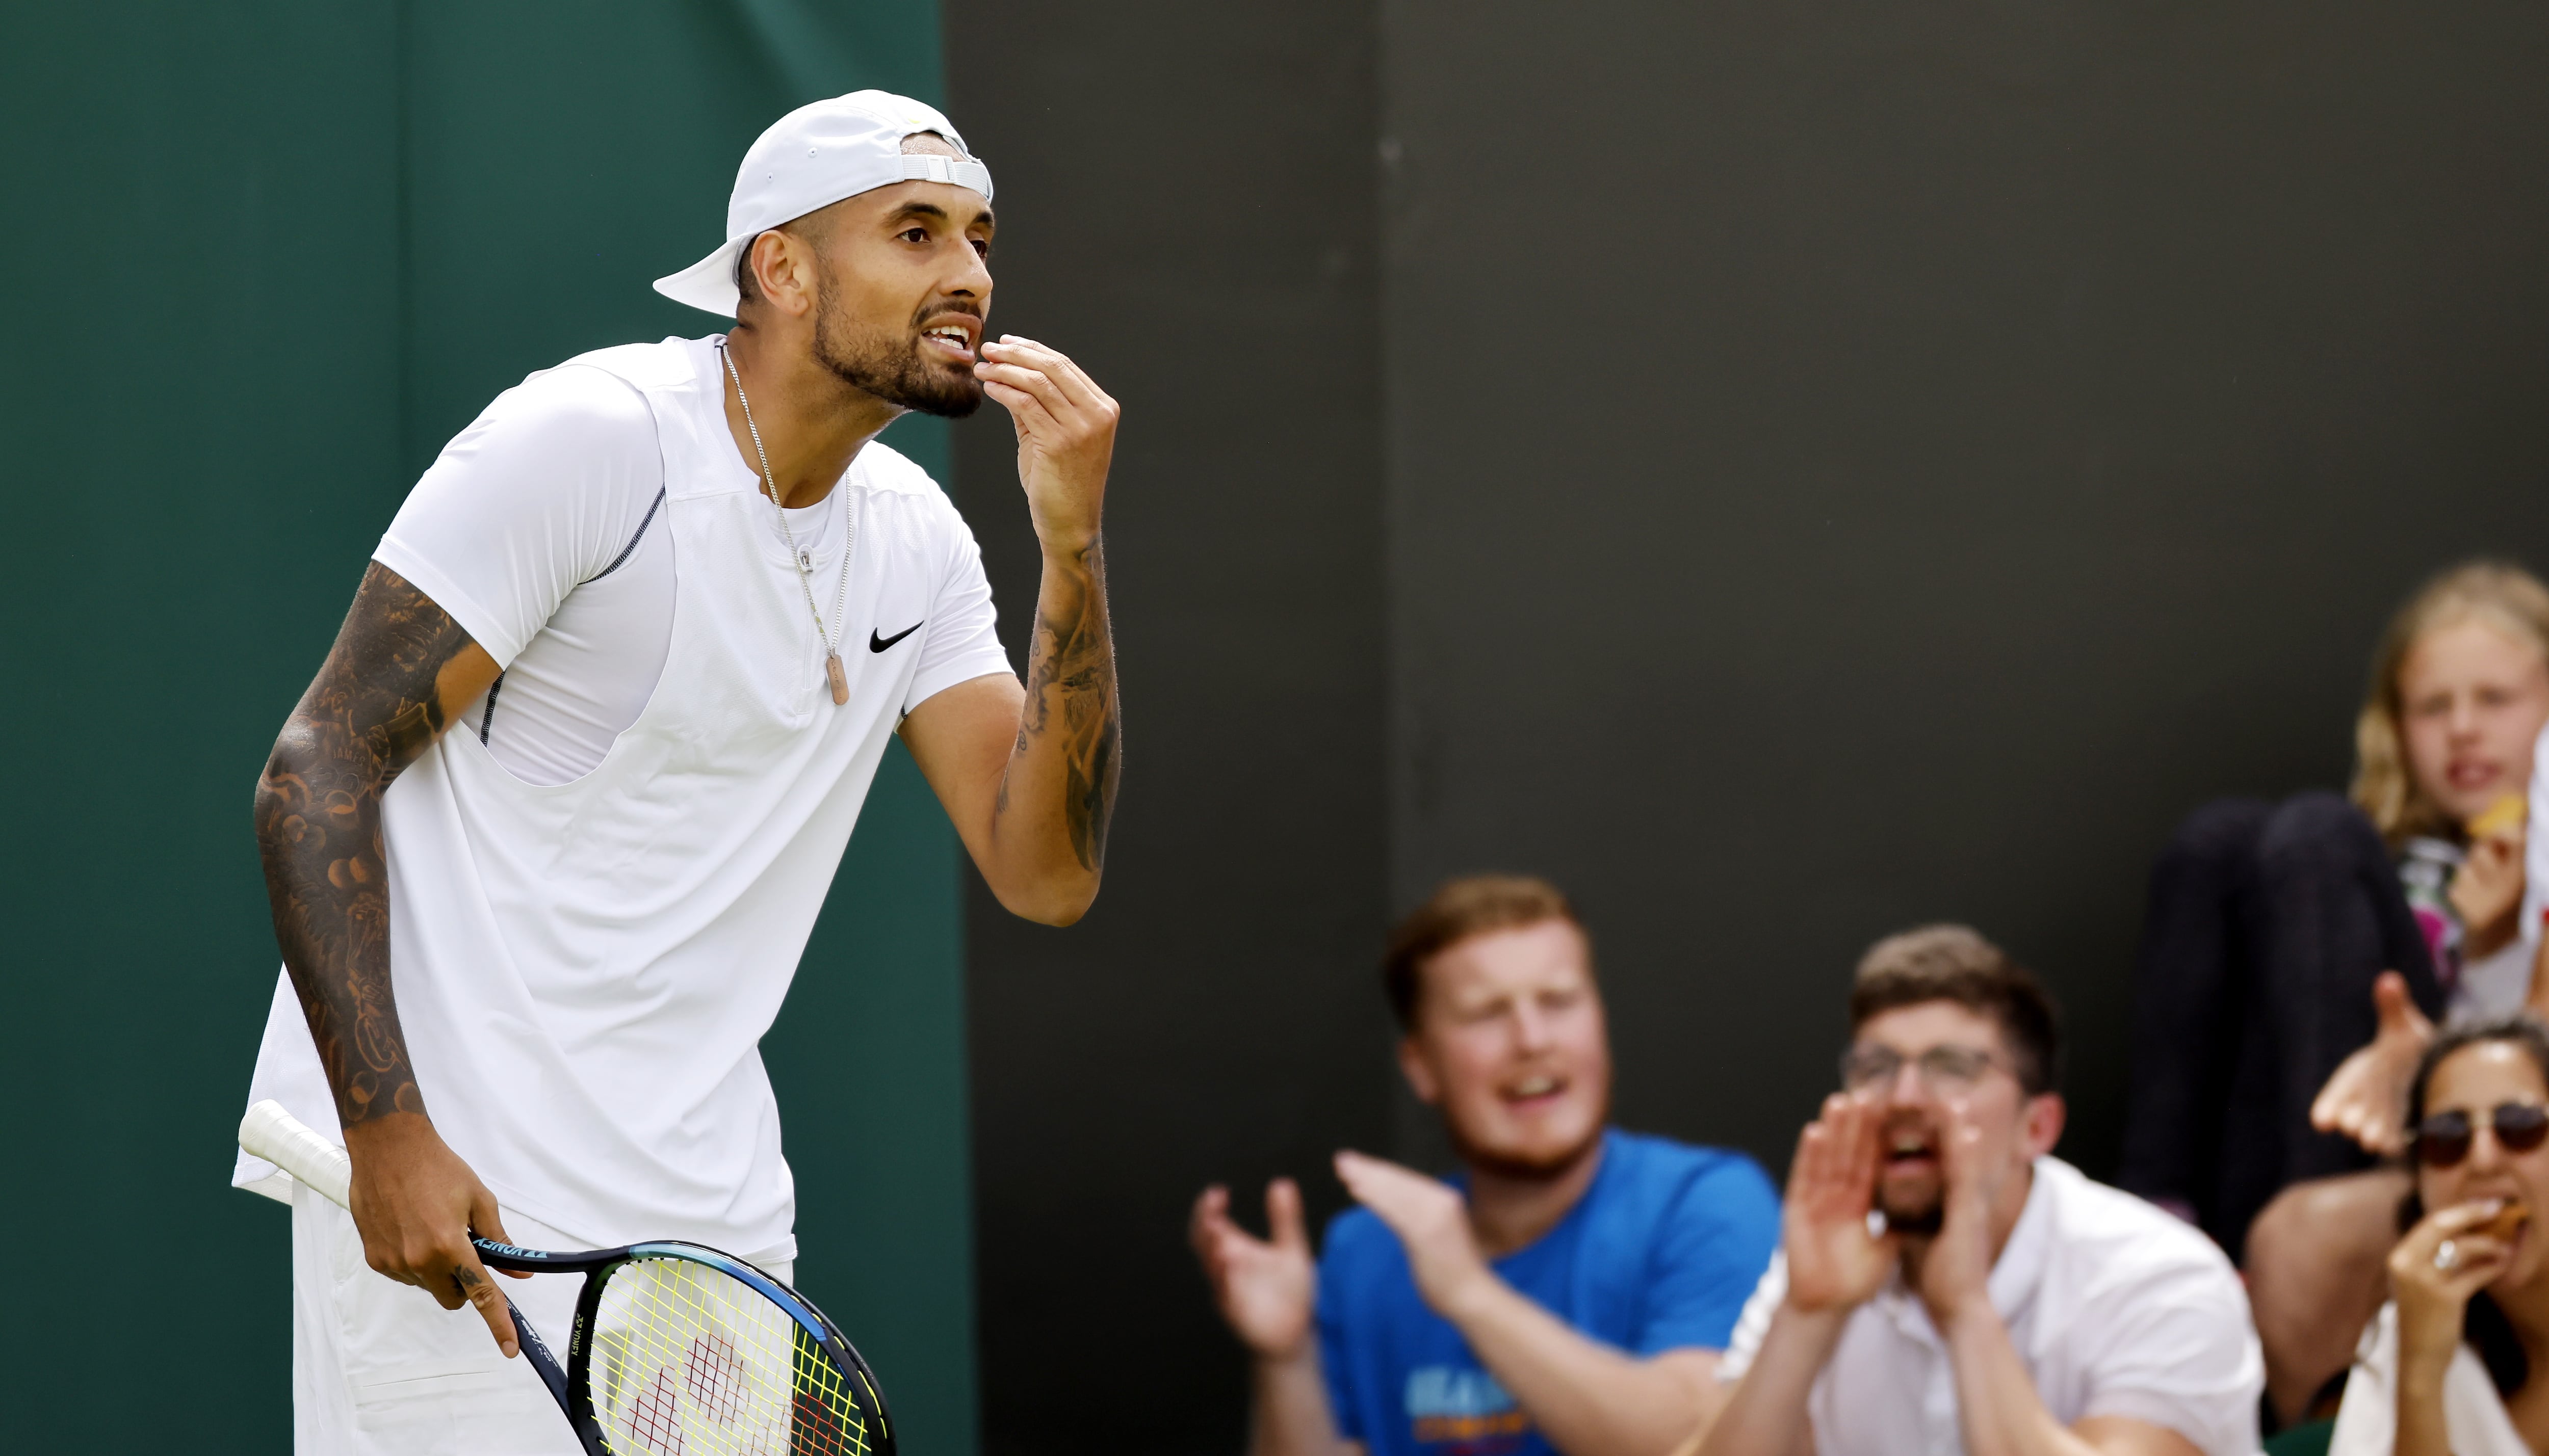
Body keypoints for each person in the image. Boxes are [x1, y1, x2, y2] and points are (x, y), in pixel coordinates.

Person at [235, 90, 1122, 1449]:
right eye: (916, 230)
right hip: (462, 1196)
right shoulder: (593, 442)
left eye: (981, 237)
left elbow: (1045, 872)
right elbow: (319, 764)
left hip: (708, 1230)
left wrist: (1073, 549)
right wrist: (387, 1140)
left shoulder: (921, 544)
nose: (971, 276)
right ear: (780, 266)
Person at [2118, 561, 2549, 1422]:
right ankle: (2149, 1226)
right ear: (2396, 727)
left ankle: (2289, 1215)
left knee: (2317, 830)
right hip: (2270, 1159)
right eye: (2433, 707)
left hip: (2412, 1161)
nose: (2464, 732)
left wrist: (2494, 944)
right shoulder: (2395, 878)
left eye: (2495, 699)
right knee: (2220, 841)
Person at [1188, 875, 1780, 1456]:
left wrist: (1468, 1292)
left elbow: (1699, 1443)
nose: (1531, 1039)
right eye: (1485, 1013)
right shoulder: (1364, 1252)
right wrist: (1288, 1355)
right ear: (1419, 1065)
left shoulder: (1706, 1202)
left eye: (1559, 1000)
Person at [1704, 925, 2261, 1456]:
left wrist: (1966, 1309)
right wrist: (1805, 1316)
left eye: (1951, 1067)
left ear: (2036, 1127)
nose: (1903, 1096)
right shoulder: (1814, 1274)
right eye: (1874, 1066)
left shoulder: (2161, 1275)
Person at [2327, 1015, 2549, 1455]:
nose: (2483, 1160)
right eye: (2447, 1138)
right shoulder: (2409, 1328)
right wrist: (2421, 1371)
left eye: (2521, 1125)